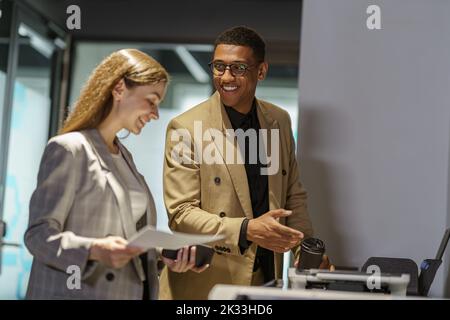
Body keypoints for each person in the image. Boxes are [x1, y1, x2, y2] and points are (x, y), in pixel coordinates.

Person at [159, 26, 332, 300]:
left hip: (267, 280)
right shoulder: (185, 128)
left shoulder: (279, 121)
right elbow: (181, 214)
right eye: (219, 67)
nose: (226, 77)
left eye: (238, 68)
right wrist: (246, 229)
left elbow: (293, 197)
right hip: (208, 284)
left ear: (260, 71)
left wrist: (306, 250)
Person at [24, 49, 207, 300]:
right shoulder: (70, 148)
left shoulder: (125, 157)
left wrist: (162, 256)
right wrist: (93, 249)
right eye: (151, 100)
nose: (155, 114)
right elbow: (38, 235)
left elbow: (128, 242)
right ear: (119, 88)